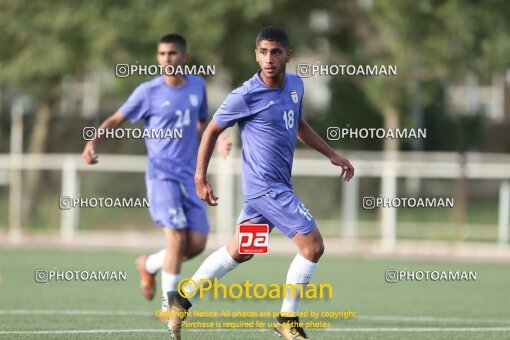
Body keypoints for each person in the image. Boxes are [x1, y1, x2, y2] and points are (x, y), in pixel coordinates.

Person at [165, 26, 354, 340]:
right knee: (313, 246)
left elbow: (296, 123)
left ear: (288, 55)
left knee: (241, 250)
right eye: (263, 52)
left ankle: (181, 300)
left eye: (276, 52)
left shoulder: (295, 84)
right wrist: (200, 178)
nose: (269, 58)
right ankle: (287, 319)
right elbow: (211, 130)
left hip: (269, 192)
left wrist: (331, 154)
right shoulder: (245, 95)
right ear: (256, 54)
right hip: (267, 189)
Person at [81, 34, 231, 313]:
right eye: (162, 54)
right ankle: (169, 306)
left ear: (184, 58)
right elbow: (117, 118)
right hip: (162, 176)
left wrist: (219, 138)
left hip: (190, 176)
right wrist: (93, 141)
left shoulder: (198, 85)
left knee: (196, 243)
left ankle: (148, 264)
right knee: (176, 238)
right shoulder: (148, 92)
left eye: (172, 54)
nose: (166, 59)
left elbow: (202, 121)